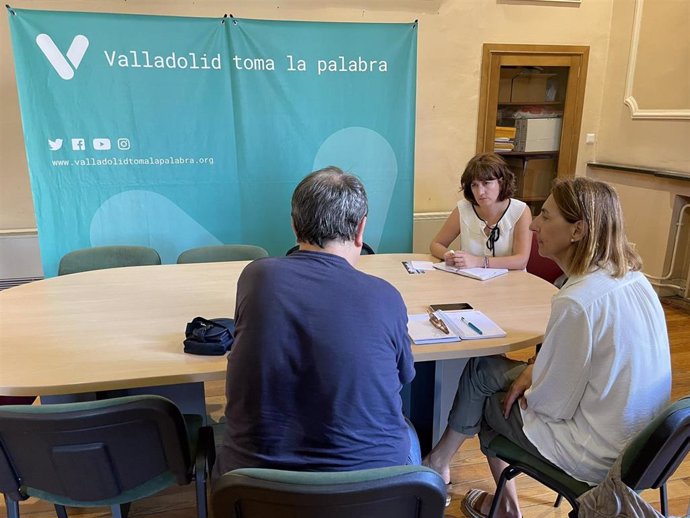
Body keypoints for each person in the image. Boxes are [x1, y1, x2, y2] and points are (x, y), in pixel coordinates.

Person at [423, 177, 672, 518]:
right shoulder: (635, 279)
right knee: (487, 371)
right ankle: (442, 464)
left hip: (595, 456)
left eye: (547, 216)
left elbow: (551, 405)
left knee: (485, 390)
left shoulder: (576, 302)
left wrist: (533, 378)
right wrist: (535, 368)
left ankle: (498, 501)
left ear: (577, 231)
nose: (535, 225)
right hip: (646, 448)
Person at [214, 166, 420, 478]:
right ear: (361, 229)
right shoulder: (386, 296)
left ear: (295, 226)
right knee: (411, 436)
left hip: (256, 490)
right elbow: (405, 376)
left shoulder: (257, 277)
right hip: (372, 494)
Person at [430, 153, 531, 270]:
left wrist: (478, 261)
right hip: (471, 282)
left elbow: (521, 261)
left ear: (501, 182)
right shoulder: (463, 209)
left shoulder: (520, 211)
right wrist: (449, 255)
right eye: (474, 185)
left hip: (510, 283)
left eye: (486, 183)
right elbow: (436, 245)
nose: (480, 192)